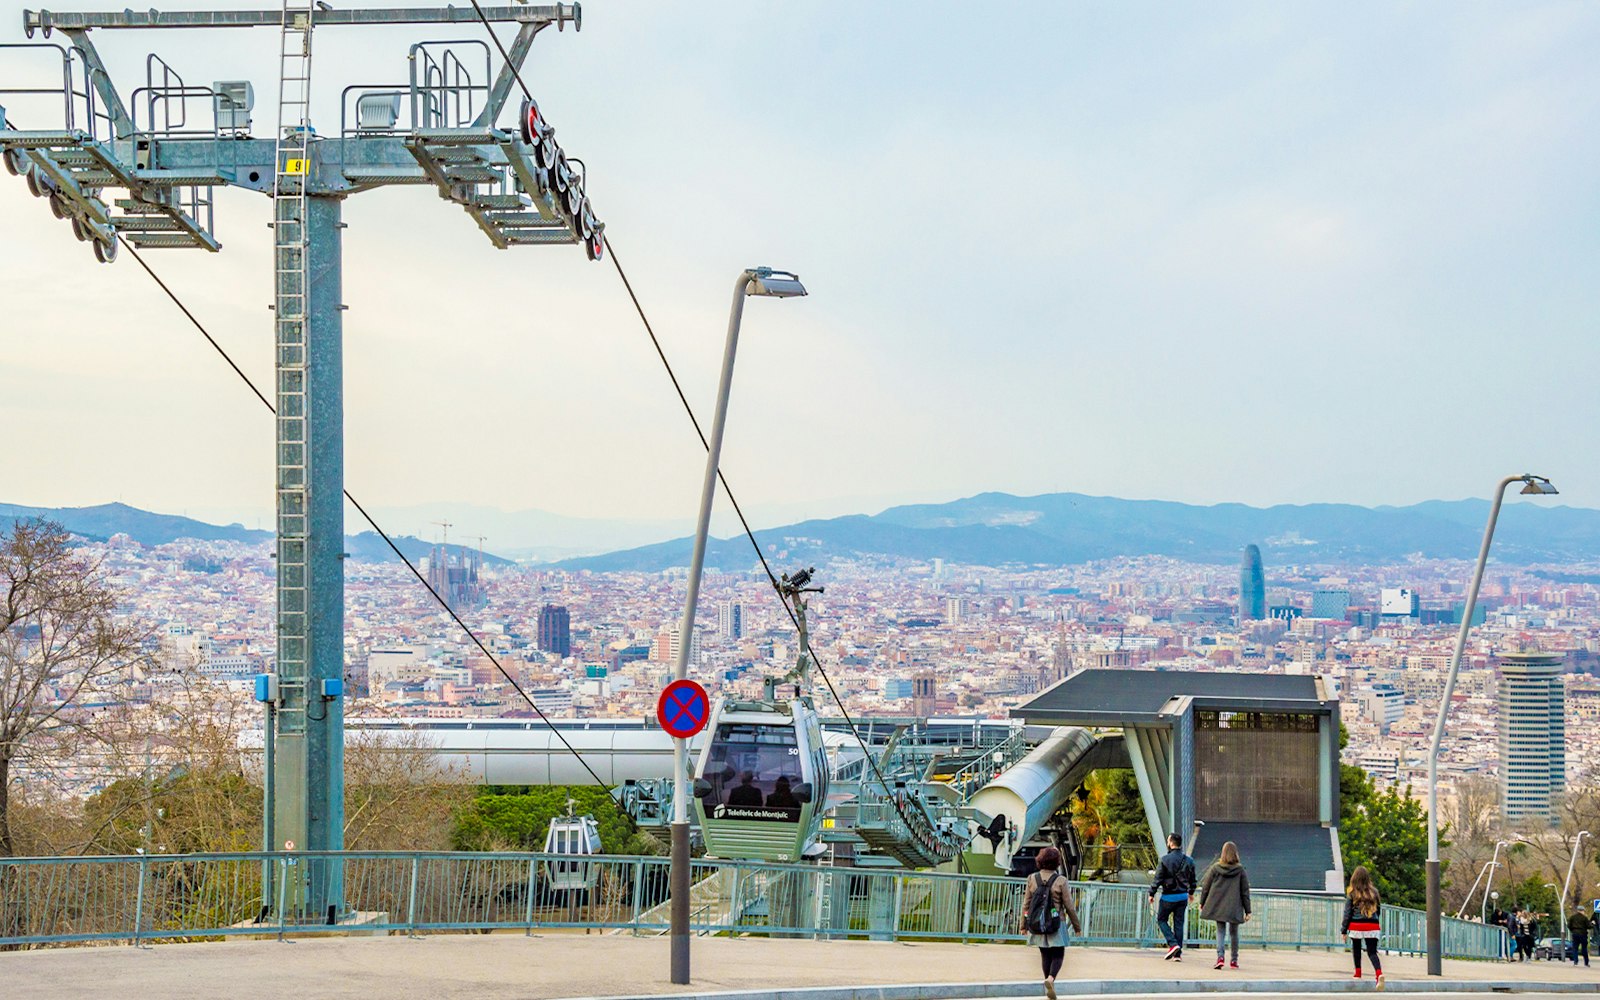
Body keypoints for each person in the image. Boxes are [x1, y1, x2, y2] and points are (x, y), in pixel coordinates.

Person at [1021, 846, 1083, 1000]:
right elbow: (1069, 906)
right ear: (1057, 862)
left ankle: (1048, 984)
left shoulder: (1032, 878)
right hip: (1056, 922)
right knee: (1058, 954)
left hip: (1037, 922)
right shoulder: (1061, 881)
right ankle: (1051, 979)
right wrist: (1077, 927)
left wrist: (1023, 925)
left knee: (1045, 954)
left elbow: (1026, 904)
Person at [1198, 840, 1251, 970]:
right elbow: (1245, 891)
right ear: (1235, 854)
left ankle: (1220, 958)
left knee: (1220, 931)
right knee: (1234, 933)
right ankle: (1234, 960)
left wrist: (1202, 902)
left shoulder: (1215, 868)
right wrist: (1248, 910)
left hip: (1219, 906)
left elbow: (1206, 887)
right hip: (1234, 906)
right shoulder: (1240, 870)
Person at [1148, 831, 1197, 961]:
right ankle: (1177, 955)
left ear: (1170, 843)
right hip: (1182, 896)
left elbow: (1158, 879)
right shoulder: (1189, 860)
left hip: (1168, 896)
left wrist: (1152, 893)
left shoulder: (1164, 860)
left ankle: (1173, 943)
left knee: (1161, 919)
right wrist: (1191, 892)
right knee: (1179, 923)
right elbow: (1193, 880)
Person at [1341, 865, 1384, 989]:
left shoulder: (1352, 893)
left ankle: (1358, 973)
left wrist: (1344, 930)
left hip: (1357, 926)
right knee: (1372, 952)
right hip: (1372, 925)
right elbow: (1378, 910)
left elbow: (1347, 913)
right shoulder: (1374, 892)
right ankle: (1379, 974)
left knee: (1356, 949)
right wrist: (1375, 922)